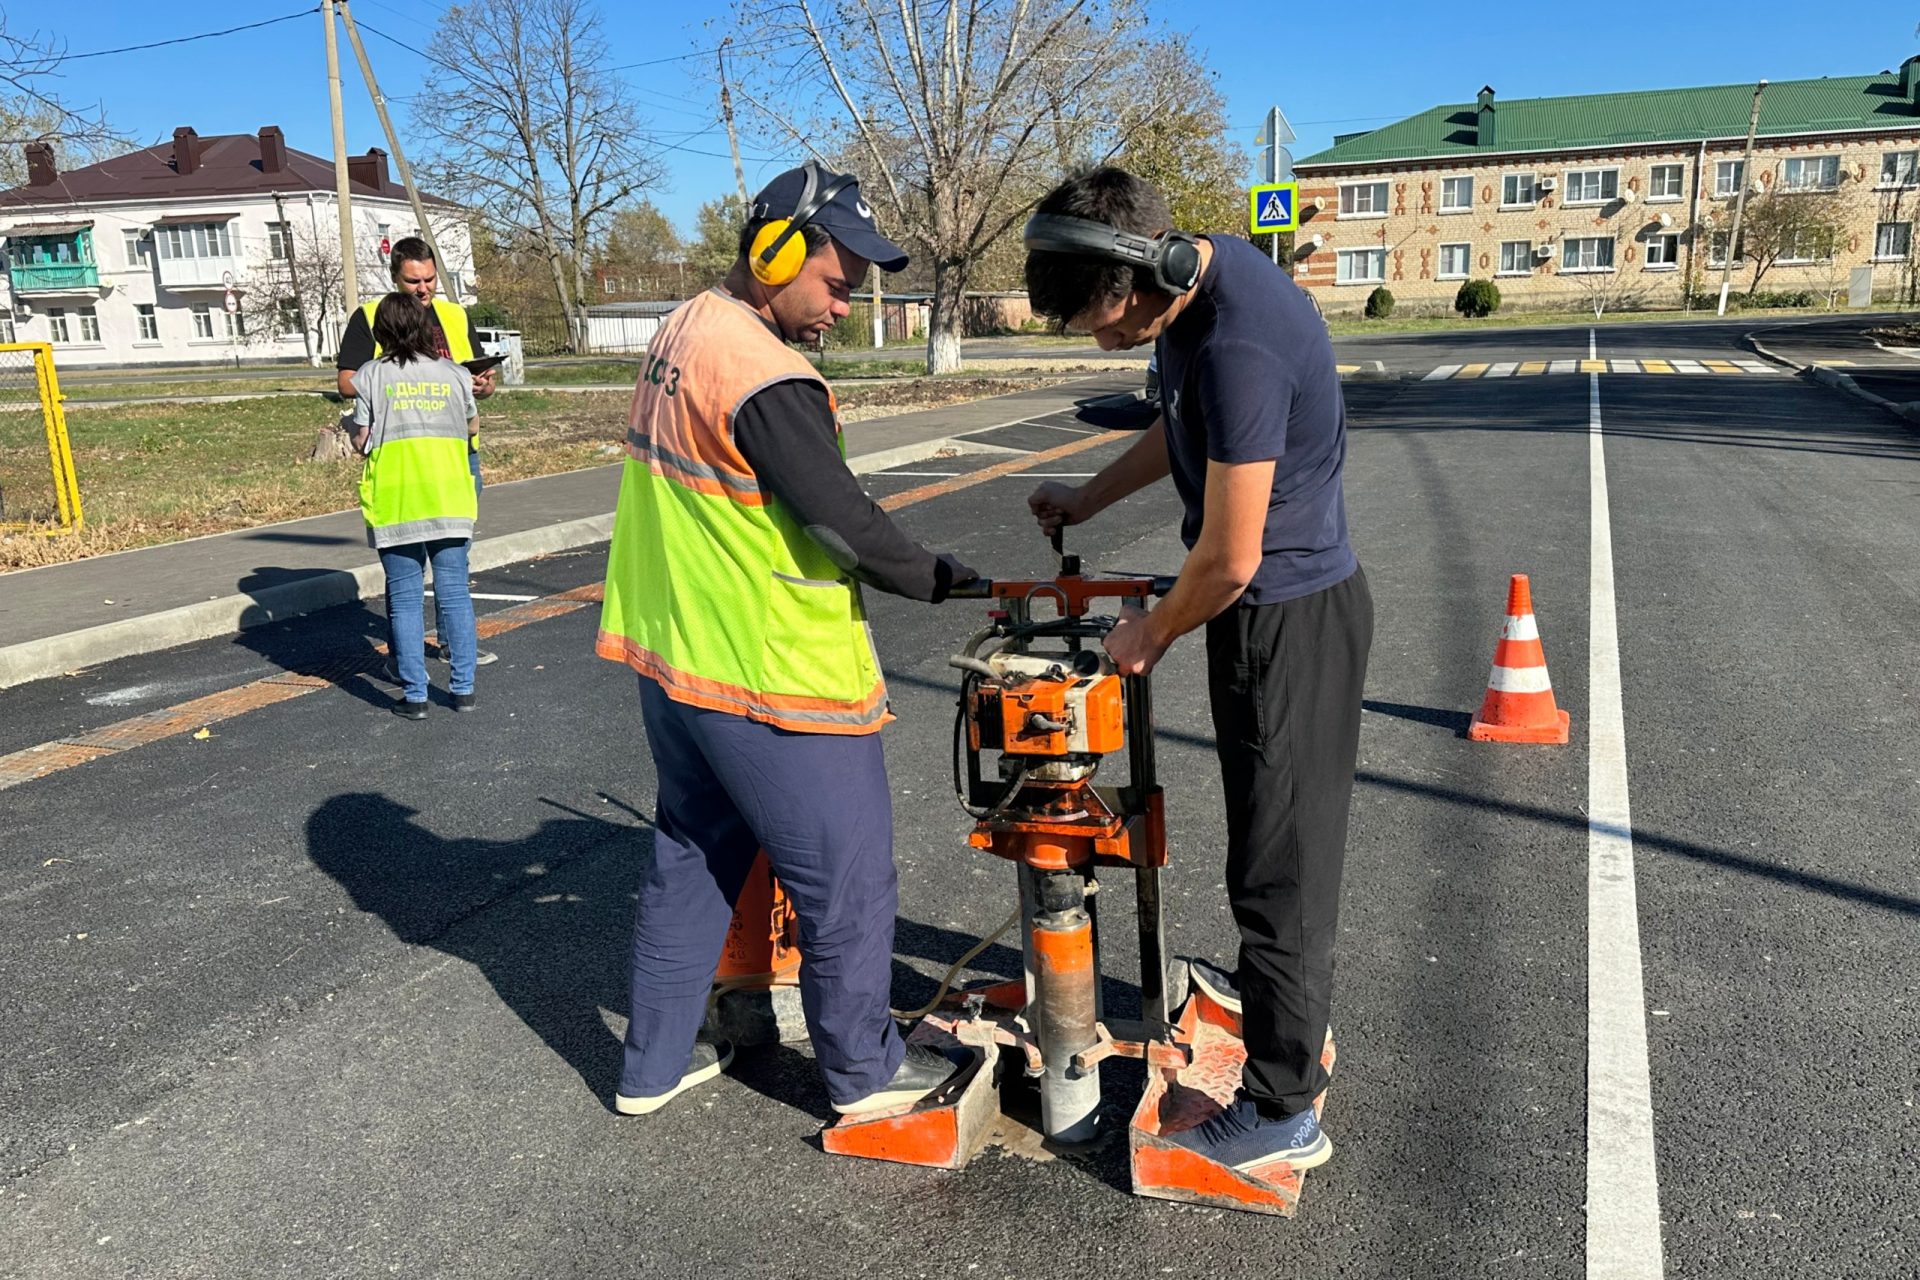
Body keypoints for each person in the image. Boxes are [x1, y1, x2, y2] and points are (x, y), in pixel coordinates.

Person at [595, 161, 977, 1118]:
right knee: (847, 880)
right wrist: (940, 577)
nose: (844, 308)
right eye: (837, 285)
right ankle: (866, 1076)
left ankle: (650, 1067)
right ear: (773, 255)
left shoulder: (685, 327)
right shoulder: (767, 376)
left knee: (693, 854)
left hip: (675, 659)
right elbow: (844, 524)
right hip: (770, 676)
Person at [1022, 167, 1373, 1173]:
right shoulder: (1193, 294)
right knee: (1268, 850)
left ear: (1148, 270)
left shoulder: (1238, 344)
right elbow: (1183, 427)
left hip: (1285, 620)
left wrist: (1153, 634)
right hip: (1265, 613)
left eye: (1103, 323)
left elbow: (1227, 560)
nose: (1103, 344)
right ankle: (1281, 1014)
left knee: (1279, 870)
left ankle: (1282, 1110)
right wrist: (1088, 499)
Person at [337, 236, 498, 667]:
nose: (423, 289)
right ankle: (405, 656)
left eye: (429, 279)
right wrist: (394, 382)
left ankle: (453, 646)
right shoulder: (373, 315)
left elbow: (479, 381)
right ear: (395, 277)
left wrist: (482, 385)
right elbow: (347, 381)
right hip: (401, 460)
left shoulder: (455, 315)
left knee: (453, 565)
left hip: (456, 455)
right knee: (405, 570)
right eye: (413, 281)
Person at [348, 293, 481, 719]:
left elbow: (361, 439)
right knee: (455, 593)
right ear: (426, 328)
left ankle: (416, 696)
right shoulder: (455, 374)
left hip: (397, 498)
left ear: (382, 332)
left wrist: (352, 429)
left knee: (405, 599)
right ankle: (463, 690)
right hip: (450, 494)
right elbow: (472, 425)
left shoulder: (370, 375)